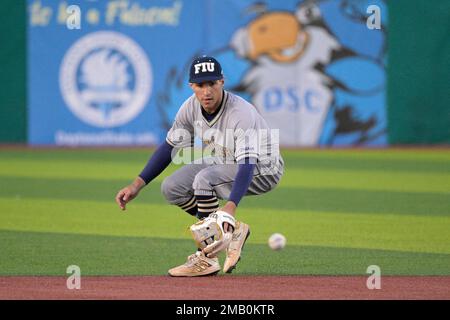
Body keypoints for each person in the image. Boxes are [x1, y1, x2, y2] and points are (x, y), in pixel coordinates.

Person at [115, 56, 284, 277]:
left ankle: (206, 258)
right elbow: (169, 147)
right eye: (200, 85)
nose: (207, 91)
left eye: (212, 83)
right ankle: (232, 233)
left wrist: (230, 209)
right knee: (171, 187)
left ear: (222, 82)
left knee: (203, 180)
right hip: (227, 158)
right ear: (191, 86)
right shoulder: (190, 108)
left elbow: (247, 163)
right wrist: (137, 184)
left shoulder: (240, 114)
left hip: (263, 167)